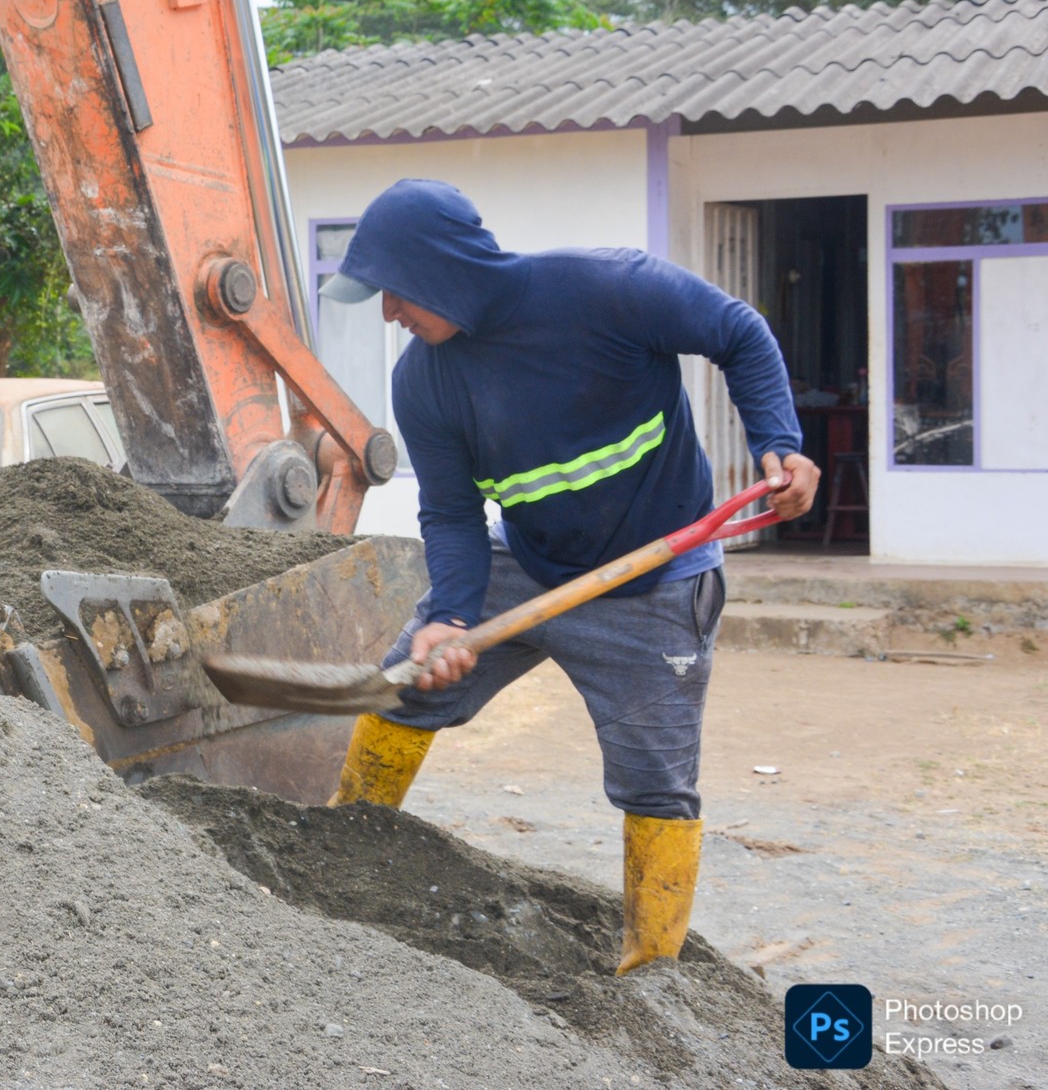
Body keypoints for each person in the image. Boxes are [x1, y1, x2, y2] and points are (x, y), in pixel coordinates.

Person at [322, 179, 818, 974]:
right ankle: (332, 866)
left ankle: (650, 970)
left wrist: (779, 441)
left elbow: (738, 331)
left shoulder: (607, 291)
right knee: (404, 686)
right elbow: (451, 512)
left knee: (656, 782)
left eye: (395, 293)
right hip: (529, 562)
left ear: (440, 269)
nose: (388, 314)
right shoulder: (423, 382)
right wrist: (451, 614)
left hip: (657, 581)